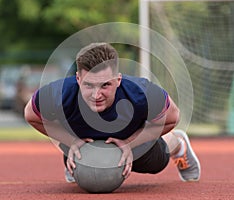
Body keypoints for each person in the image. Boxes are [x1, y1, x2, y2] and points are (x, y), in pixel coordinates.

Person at [24, 42, 201, 183]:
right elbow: (31, 116)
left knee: (156, 163)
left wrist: (130, 143)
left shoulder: (141, 92)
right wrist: (70, 141)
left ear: (118, 79)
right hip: (85, 140)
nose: (96, 95)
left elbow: (172, 117)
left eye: (105, 85)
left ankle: (178, 145)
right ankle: (78, 159)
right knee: (78, 160)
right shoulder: (58, 93)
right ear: (78, 78)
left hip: (131, 135)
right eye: (88, 85)